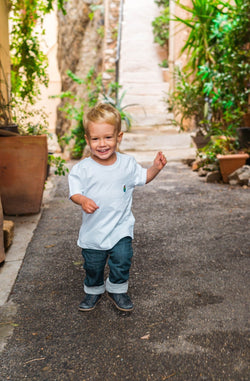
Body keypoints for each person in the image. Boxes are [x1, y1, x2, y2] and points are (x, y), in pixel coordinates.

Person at [68, 103, 167, 312]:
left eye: (108, 137)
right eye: (95, 139)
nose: (102, 144)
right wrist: (82, 200)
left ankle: (117, 289)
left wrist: (155, 168)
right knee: (92, 265)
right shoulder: (83, 169)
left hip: (121, 228)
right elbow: (74, 192)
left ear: (118, 137)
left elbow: (143, 177)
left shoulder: (127, 164)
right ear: (87, 140)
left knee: (122, 260)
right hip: (94, 231)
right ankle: (93, 291)